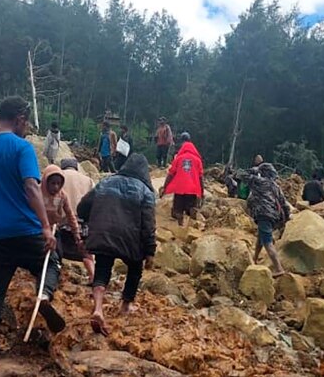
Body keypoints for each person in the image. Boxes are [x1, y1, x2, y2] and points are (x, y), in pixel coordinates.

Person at [0, 96, 64, 358]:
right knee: (51, 262)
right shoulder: (21, 147)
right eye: (26, 123)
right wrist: (45, 227)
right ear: (19, 119)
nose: (26, 127)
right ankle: (44, 296)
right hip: (26, 231)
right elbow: (31, 186)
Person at [78, 153, 156, 336]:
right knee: (135, 269)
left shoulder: (106, 182)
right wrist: (150, 250)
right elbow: (148, 224)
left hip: (103, 233)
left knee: (103, 269)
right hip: (131, 240)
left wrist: (90, 223)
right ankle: (126, 305)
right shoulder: (146, 191)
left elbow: (82, 206)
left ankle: (98, 308)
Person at [40, 164, 94, 283]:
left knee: (57, 252)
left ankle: (53, 276)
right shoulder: (87, 180)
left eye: (58, 184)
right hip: (79, 222)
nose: (56, 187)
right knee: (86, 254)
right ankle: (92, 276)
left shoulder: (58, 189)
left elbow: (68, 213)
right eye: (53, 183)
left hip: (59, 225)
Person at [244, 163, 289, 277]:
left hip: (263, 214)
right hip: (273, 216)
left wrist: (254, 170)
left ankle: (279, 268)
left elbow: (241, 175)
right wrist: (286, 219)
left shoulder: (259, 182)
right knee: (261, 237)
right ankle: (254, 259)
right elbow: (284, 204)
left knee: (267, 243)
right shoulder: (275, 186)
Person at [162, 133, 204, 226]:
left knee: (177, 210)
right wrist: (202, 192)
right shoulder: (197, 159)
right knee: (190, 208)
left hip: (179, 188)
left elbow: (171, 174)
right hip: (192, 189)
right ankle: (191, 219)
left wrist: (165, 187)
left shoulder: (178, 158)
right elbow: (201, 177)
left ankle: (179, 220)